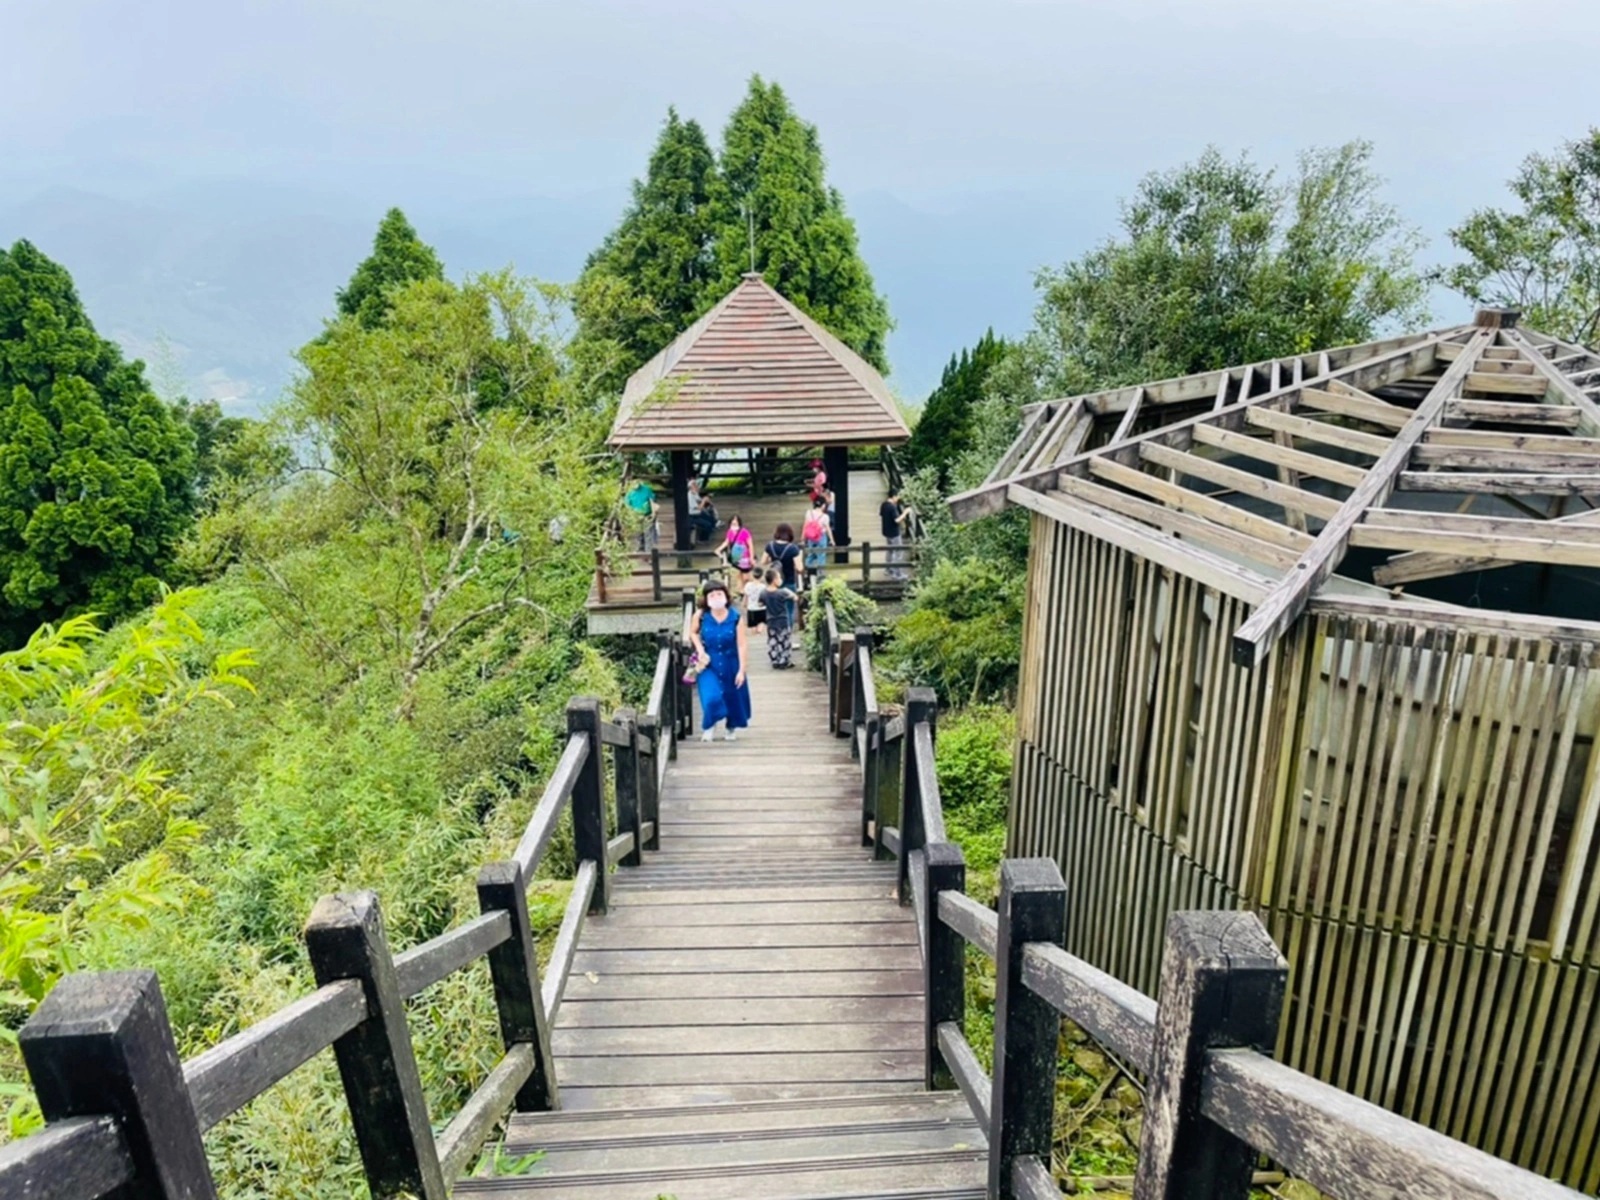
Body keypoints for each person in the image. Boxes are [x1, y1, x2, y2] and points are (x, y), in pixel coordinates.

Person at [690, 579, 750, 741]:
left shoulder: (736, 618)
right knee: (711, 696)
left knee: (733, 696)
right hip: (709, 662)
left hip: (731, 660)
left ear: (725, 595)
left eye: (719, 593)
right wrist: (700, 650)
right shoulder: (701, 616)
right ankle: (709, 725)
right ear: (706, 598)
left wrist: (741, 670)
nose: (716, 597)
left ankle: (731, 727)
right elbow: (693, 632)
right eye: (712, 594)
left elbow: (742, 645)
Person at [763, 523, 802, 629]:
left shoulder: (770, 546)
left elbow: (763, 561)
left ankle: (775, 630)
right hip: (789, 582)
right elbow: (800, 568)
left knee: (774, 609)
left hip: (773, 583)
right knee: (788, 609)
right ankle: (787, 633)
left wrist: (774, 559)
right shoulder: (793, 549)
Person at [760, 568, 798, 668]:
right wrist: (789, 591)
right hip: (782, 620)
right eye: (779, 578)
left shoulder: (763, 593)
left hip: (770, 621)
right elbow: (795, 598)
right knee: (785, 640)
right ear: (774, 580)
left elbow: (760, 603)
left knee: (773, 641)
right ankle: (784, 660)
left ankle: (775, 660)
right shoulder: (782, 592)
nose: (781, 579)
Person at [880, 488, 912, 580]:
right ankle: (896, 573)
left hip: (886, 531)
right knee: (898, 552)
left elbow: (882, 515)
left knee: (890, 550)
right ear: (893, 496)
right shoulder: (892, 507)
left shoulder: (884, 505)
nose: (898, 498)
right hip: (894, 533)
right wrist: (905, 513)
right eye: (897, 497)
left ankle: (888, 569)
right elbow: (897, 520)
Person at [801, 497, 832, 582]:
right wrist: (832, 540)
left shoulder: (808, 513)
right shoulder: (825, 516)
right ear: (823, 505)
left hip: (811, 537)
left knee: (810, 555)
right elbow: (828, 529)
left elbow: (805, 525)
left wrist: (803, 537)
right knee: (821, 556)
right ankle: (820, 576)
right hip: (821, 537)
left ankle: (807, 572)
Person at [716, 514, 755, 582]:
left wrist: (751, 557)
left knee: (746, 577)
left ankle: (748, 588)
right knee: (739, 575)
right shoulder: (730, 532)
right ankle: (741, 590)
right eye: (732, 522)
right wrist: (719, 549)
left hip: (745, 557)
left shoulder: (745, 532)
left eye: (736, 522)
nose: (734, 523)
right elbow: (727, 542)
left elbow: (750, 545)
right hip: (736, 557)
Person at [625, 478, 658, 551]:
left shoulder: (647, 490)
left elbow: (652, 501)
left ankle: (648, 553)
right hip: (635, 516)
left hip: (647, 515)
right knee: (637, 535)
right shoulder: (629, 492)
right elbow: (627, 505)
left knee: (648, 535)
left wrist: (653, 513)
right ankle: (639, 551)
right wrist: (631, 516)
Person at [687, 477, 718, 543]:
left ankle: (711, 529)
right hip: (692, 516)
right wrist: (704, 501)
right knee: (707, 524)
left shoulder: (694, 493)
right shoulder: (689, 496)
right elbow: (699, 507)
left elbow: (699, 500)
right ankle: (702, 539)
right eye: (694, 485)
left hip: (698, 513)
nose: (697, 487)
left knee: (710, 517)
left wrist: (707, 500)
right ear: (691, 487)